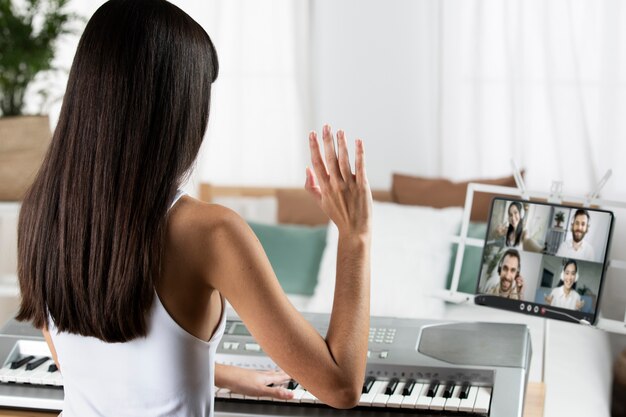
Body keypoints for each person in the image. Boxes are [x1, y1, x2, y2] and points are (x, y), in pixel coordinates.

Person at [15, 1, 372, 416]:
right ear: (176, 110)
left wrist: (218, 372)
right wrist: (355, 236)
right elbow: (341, 386)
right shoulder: (209, 232)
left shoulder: (40, 213)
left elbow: (78, 361)